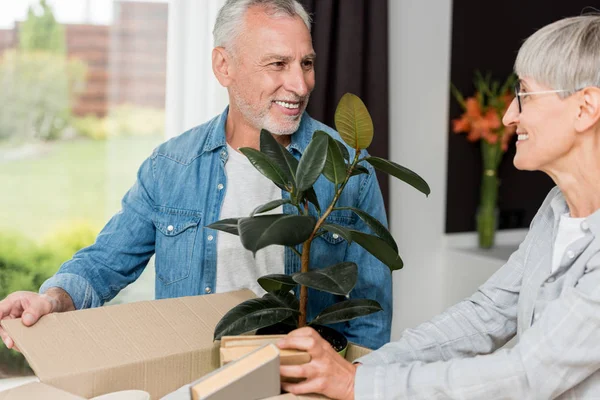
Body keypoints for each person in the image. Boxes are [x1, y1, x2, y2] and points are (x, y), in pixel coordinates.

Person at [0, 0, 391, 351]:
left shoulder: (348, 167)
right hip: (193, 380)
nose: (300, 84)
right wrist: (51, 298)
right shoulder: (171, 167)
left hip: (300, 383)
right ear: (224, 66)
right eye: (278, 64)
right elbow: (105, 262)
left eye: (306, 63)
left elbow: (370, 312)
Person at [277, 14, 600, 399]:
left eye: (524, 95)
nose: (509, 116)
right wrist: (361, 370)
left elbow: (527, 375)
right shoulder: (557, 209)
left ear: (585, 109)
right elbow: (485, 316)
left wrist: (355, 384)